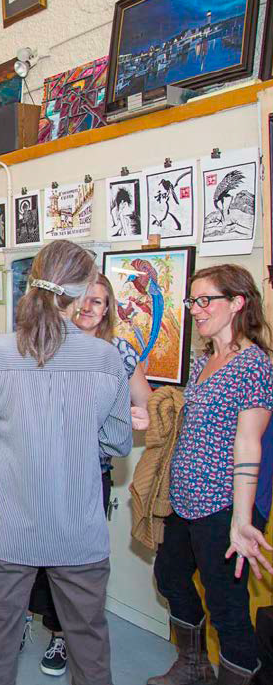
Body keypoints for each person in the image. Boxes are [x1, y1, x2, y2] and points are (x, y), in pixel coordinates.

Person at [0, 240, 133, 685]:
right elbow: (118, 441)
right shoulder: (107, 358)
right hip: (78, 530)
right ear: (83, 291)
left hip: (10, 529)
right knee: (90, 652)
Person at [148, 264, 273, 685]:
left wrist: (241, 520)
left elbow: (249, 442)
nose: (196, 310)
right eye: (192, 301)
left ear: (237, 303)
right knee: (169, 575)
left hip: (223, 504)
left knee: (226, 605)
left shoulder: (254, 365)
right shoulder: (205, 359)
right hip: (186, 500)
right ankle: (194, 664)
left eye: (206, 300)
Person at [29, 272, 152, 676]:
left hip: (87, 475)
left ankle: (71, 636)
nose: (89, 307)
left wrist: (136, 416)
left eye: (99, 301)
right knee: (41, 557)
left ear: (108, 309)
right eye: (84, 298)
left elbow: (147, 405)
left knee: (79, 564)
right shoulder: (47, 346)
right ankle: (51, 628)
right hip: (40, 470)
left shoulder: (118, 351)